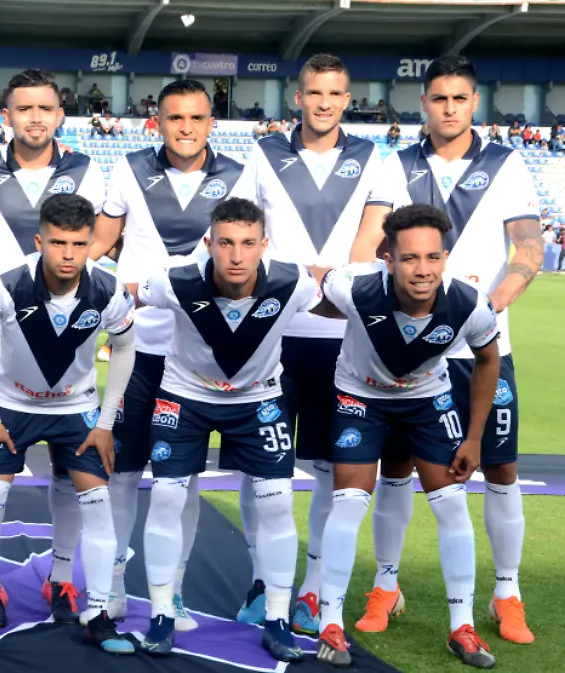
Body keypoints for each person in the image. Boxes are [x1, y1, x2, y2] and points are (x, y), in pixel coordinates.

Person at [349, 55, 541, 646]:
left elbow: (528, 249)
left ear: (474, 102)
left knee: (499, 467)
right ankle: (386, 585)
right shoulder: (397, 165)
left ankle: (506, 593)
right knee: (396, 468)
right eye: (439, 98)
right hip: (410, 352)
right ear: (424, 104)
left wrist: (483, 311)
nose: (449, 108)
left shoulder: (507, 163)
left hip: (482, 348)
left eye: (460, 98)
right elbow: (370, 245)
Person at [232, 52, 387, 636]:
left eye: (334, 94)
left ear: (348, 100)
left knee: (329, 469)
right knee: (261, 469)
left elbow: (372, 239)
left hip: (342, 337)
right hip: (272, 334)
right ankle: (261, 579)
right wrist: (303, 279)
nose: (324, 103)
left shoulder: (372, 157)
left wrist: (332, 282)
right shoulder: (263, 153)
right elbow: (246, 230)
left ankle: (315, 588)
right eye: (314, 93)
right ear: (297, 98)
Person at [0, 69, 107, 630]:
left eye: (45, 107)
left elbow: (96, 237)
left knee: (70, 475)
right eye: (24, 108)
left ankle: (61, 577)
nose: (35, 117)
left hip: (66, 337)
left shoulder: (87, 169)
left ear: (59, 114)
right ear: (7, 115)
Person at [311, 204, 499, 669]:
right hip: (360, 397)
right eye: (410, 258)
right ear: (388, 260)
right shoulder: (354, 285)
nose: (422, 269)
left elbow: (488, 360)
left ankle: (462, 628)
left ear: (445, 258)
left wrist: (474, 438)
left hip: (426, 401)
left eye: (433, 257)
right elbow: (313, 281)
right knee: (348, 503)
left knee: (452, 505)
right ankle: (329, 624)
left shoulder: (470, 304)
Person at [91, 78, 248, 631]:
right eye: (175, 117)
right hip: (138, 349)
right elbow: (98, 243)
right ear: (157, 121)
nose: (186, 128)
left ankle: (173, 592)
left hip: (198, 355)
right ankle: (111, 587)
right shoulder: (129, 167)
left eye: (197, 118)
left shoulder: (239, 175)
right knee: (122, 474)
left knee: (182, 483)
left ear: (212, 123)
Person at [134, 198, 320, 661]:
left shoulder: (294, 282)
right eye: (226, 243)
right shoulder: (174, 280)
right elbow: (125, 296)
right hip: (185, 396)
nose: (237, 256)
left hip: (258, 400)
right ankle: (162, 614)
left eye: (248, 243)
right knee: (167, 496)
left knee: (276, 503)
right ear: (208, 243)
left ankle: (277, 619)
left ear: (264, 245)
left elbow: (337, 304)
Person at [0, 194, 136, 656]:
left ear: (92, 243)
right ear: (40, 242)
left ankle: (93, 610)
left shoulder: (109, 290)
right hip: (10, 404)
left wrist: (106, 422)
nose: (68, 254)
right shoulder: (4, 285)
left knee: (96, 501)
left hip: (75, 406)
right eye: (58, 243)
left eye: (78, 244)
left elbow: (125, 347)